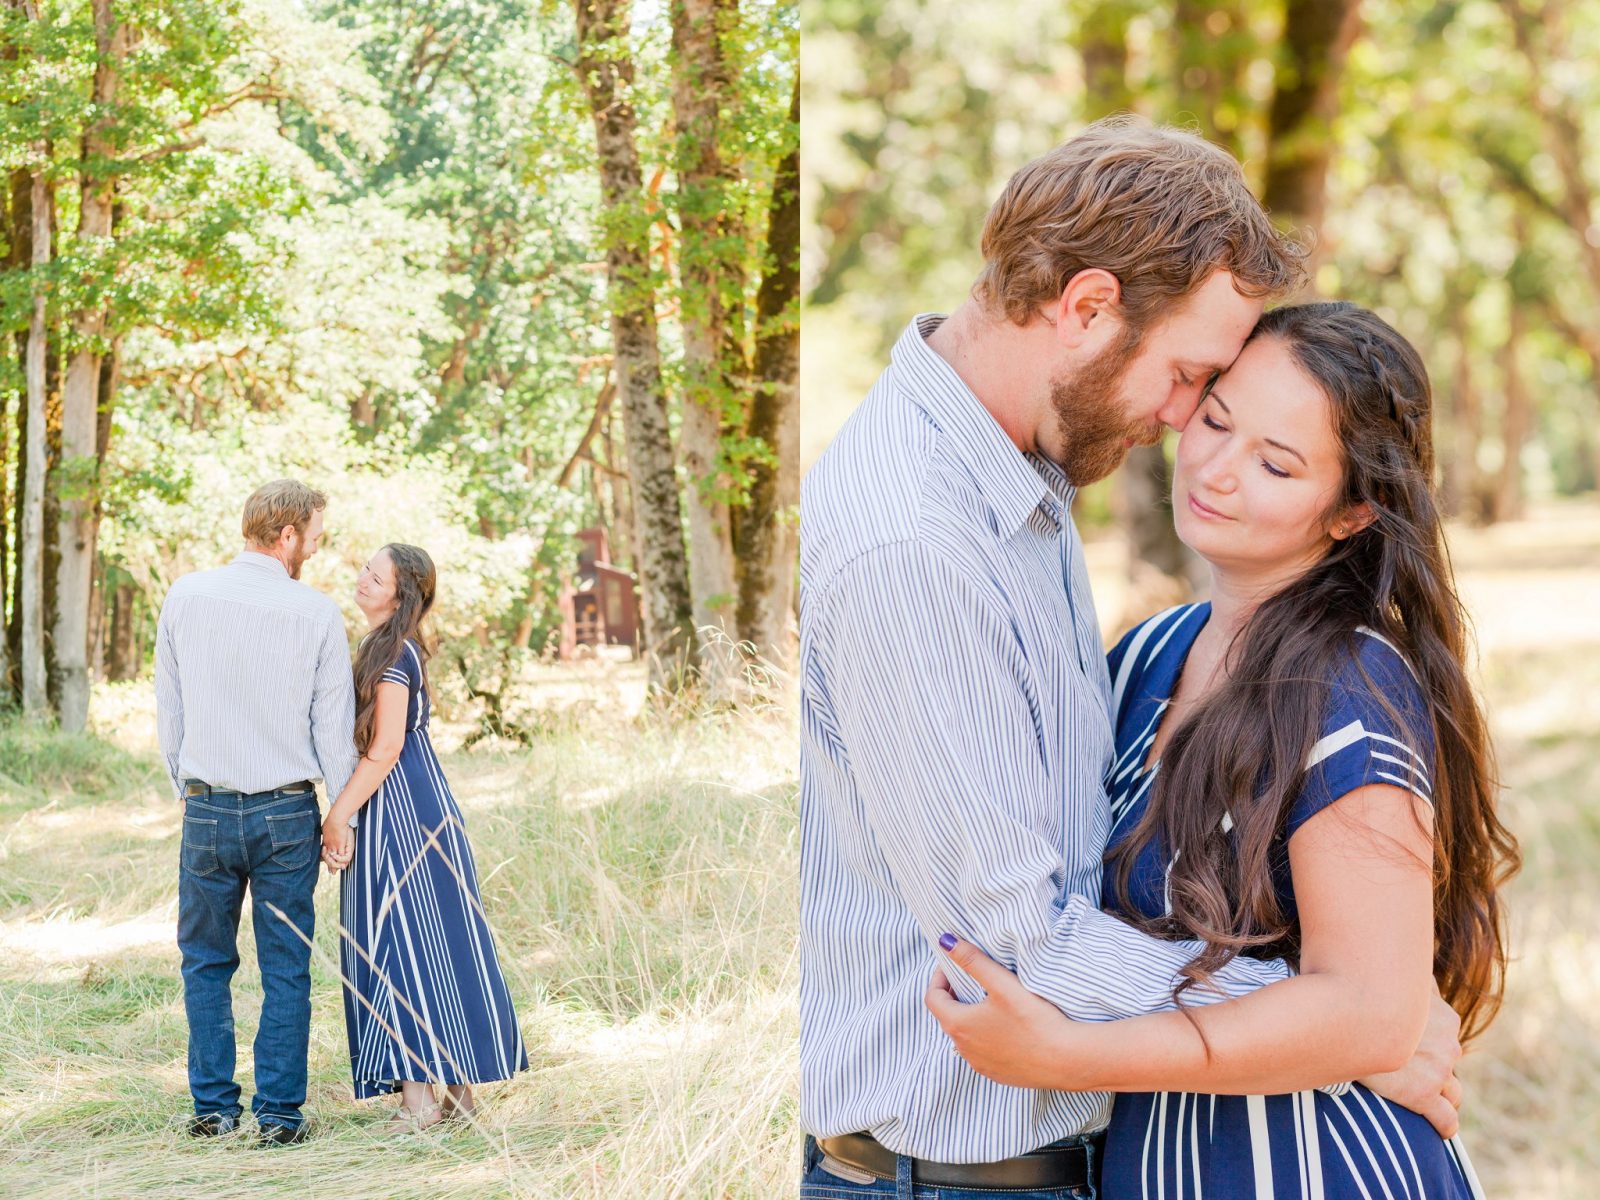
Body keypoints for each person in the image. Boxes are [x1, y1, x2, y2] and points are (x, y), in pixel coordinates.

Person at [799, 117, 1463, 1198]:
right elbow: (1016, 941)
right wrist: (1347, 1019)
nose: (1184, 421)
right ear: (1088, 308)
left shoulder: (1027, 486)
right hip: (949, 1175)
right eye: (1194, 380)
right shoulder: (915, 543)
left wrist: (1362, 1005)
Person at [926, 303, 1518, 1198]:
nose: (1218, 471)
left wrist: (1076, 1054)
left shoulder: (1347, 686)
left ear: (1354, 511)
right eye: (1215, 420)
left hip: (1312, 1169)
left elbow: (1363, 1003)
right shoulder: (1144, 656)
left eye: (1277, 463)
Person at [157, 479, 357, 1145]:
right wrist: (341, 816)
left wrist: (189, 789)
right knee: (286, 967)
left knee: (206, 963)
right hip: (286, 816)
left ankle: (213, 1110)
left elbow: (170, 713)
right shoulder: (317, 612)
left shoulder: (187, 595)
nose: (316, 553)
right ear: (289, 535)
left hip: (208, 810)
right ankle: (278, 1118)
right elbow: (332, 732)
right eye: (316, 540)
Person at [320, 543, 527, 1129]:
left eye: (375, 575)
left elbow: (385, 748)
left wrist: (337, 816)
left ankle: (419, 1103)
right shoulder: (384, 647)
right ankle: (458, 1098)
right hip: (410, 803)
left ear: (402, 592)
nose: (361, 579)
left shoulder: (395, 654)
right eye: (363, 569)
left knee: (398, 944)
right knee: (434, 944)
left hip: (403, 812)